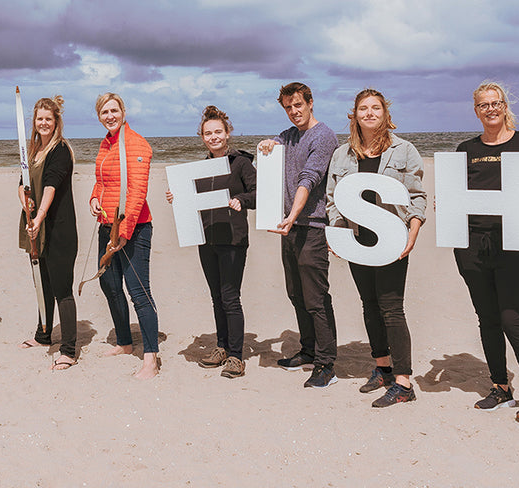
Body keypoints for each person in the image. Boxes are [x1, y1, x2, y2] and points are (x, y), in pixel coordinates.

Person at [454, 81, 519, 424]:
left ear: (505, 105)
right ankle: (500, 388)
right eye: (484, 105)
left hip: (513, 241)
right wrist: (448, 204)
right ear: (476, 110)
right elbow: (457, 193)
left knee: (513, 319)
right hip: (471, 244)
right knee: (487, 319)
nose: (490, 109)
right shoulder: (465, 149)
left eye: (496, 103)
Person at [325, 89, 426, 407]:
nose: (369, 113)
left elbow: (416, 195)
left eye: (375, 108)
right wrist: (337, 233)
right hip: (359, 239)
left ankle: (403, 382)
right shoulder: (343, 156)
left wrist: (414, 228)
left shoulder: (404, 150)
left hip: (392, 239)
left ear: (385, 113)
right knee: (369, 305)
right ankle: (382, 368)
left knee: (392, 308)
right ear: (354, 115)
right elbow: (333, 200)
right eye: (363, 109)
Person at [257, 82, 340, 388]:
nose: (294, 112)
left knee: (316, 298)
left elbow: (310, 178)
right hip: (289, 228)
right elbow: (275, 149)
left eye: (298, 106)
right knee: (296, 293)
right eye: (288, 108)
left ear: (310, 103)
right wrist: (268, 144)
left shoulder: (324, 136)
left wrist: (292, 215)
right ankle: (308, 350)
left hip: (312, 227)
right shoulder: (289, 136)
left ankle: (326, 363)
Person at [165, 106, 256, 379]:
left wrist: (242, 200)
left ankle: (236, 357)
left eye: (218, 132)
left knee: (230, 297)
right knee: (217, 298)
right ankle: (222, 347)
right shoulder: (201, 167)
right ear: (202, 137)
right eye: (208, 133)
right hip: (206, 239)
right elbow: (192, 200)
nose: (214, 137)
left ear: (227, 133)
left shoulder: (241, 163)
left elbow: (258, 192)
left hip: (233, 239)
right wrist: (177, 197)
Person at [89, 92, 158, 380]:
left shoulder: (136, 143)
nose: (110, 116)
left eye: (114, 110)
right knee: (109, 283)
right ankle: (125, 342)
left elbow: (137, 193)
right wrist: (94, 197)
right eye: (104, 112)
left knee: (138, 292)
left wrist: (124, 234)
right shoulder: (107, 143)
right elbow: (102, 180)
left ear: (123, 111)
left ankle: (151, 359)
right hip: (107, 225)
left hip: (134, 229)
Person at [17, 96, 79, 370]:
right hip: (37, 228)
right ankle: (43, 336)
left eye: (48, 119)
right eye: (39, 119)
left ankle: (68, 349)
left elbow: (51, 186)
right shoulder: (32, 152)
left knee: (61, 289)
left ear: (56, 123)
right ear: (34, 121)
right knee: (42, 284)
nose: (43, 123)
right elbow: (22, 183)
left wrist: (40, 216)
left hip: (58, 229)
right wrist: (26, 202)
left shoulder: (60, 150)